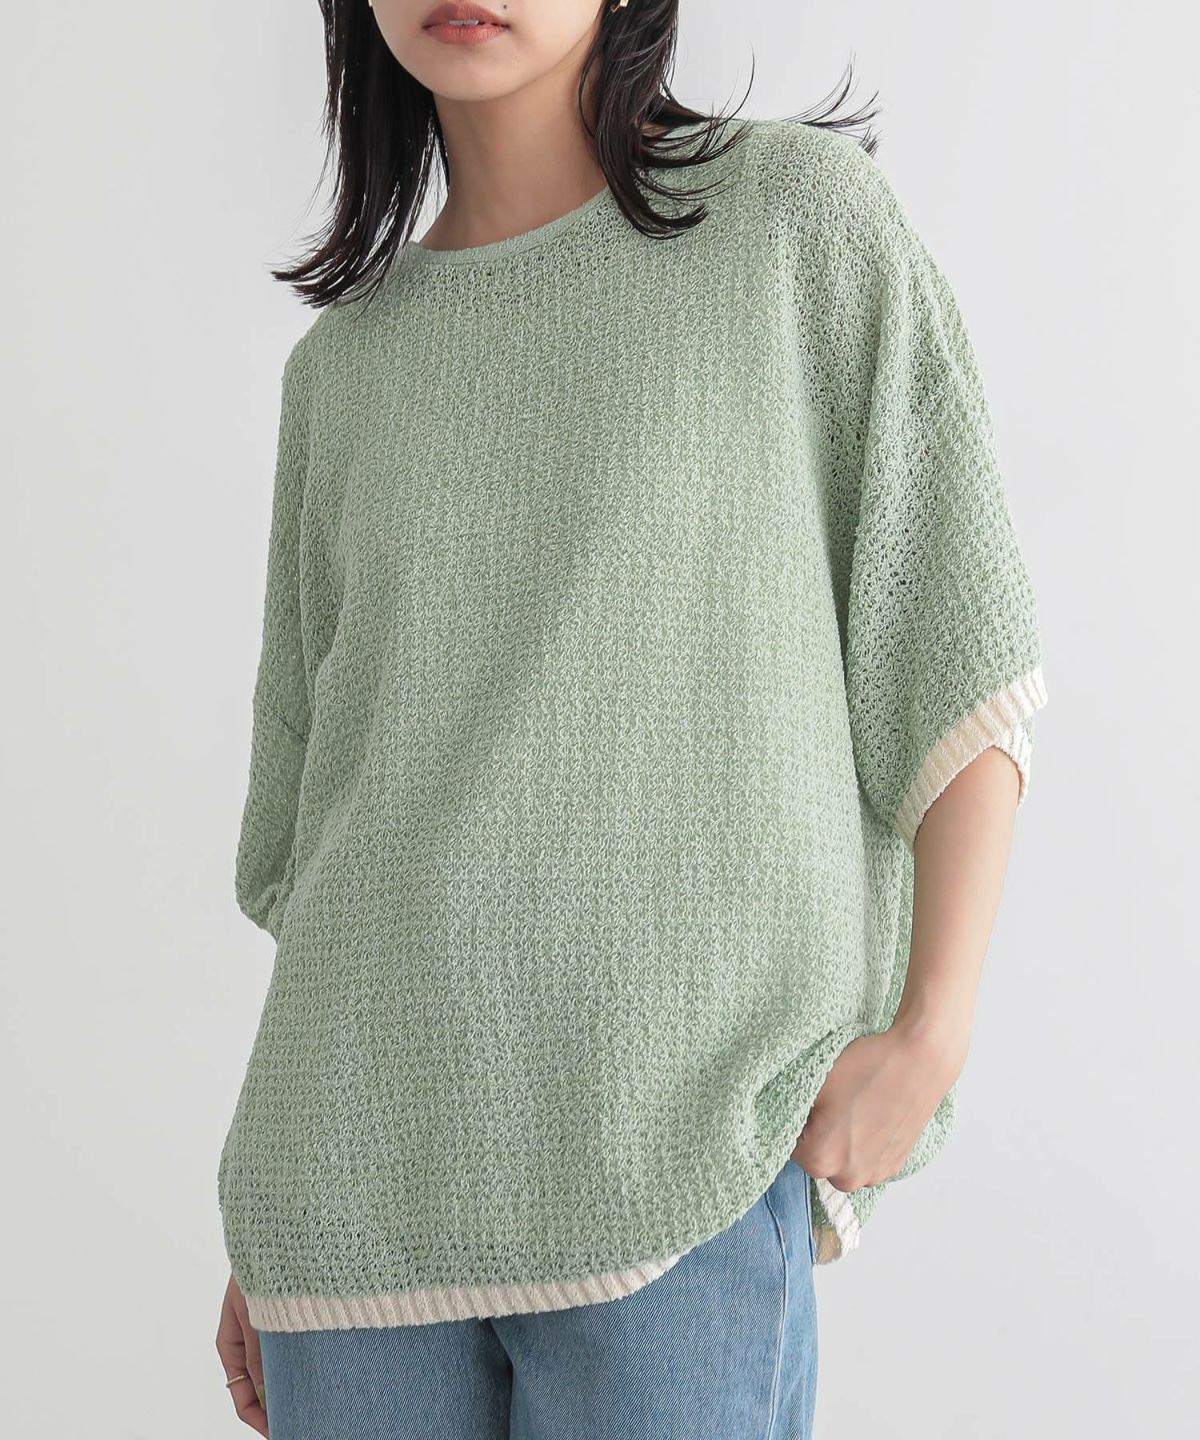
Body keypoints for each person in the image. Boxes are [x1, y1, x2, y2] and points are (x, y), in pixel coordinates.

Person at [213, 3, 1049, 1437]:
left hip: (680, 1169)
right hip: (342, 1212)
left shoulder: (788, 228)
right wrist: (282, 1225)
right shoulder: (344, 371)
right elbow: (327, 816)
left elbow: (953, 634)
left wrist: (933, 1033)